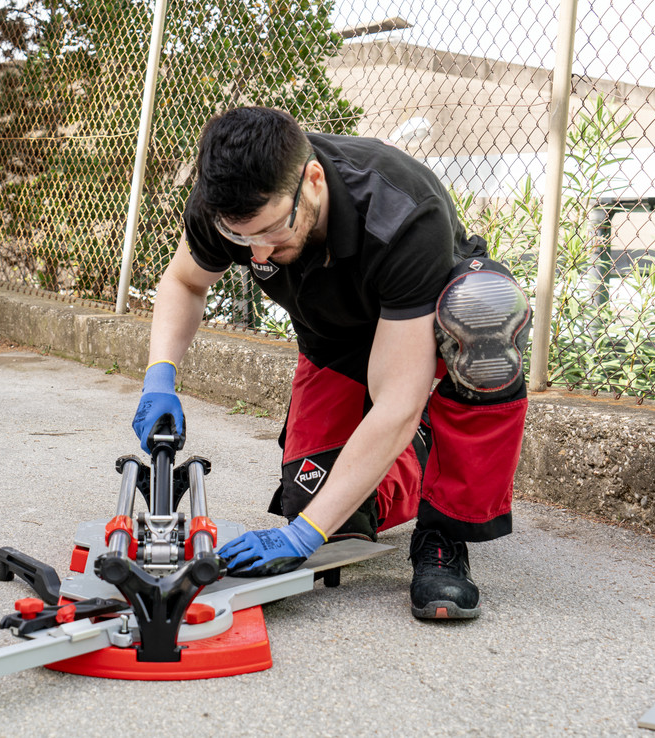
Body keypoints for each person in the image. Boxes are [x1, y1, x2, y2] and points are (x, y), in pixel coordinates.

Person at [133, 106, 530, 619]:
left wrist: (300, 536)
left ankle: (443, 533)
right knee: (332, 524)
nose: (256, 255)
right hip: (335, 339)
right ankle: (416, 456)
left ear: (313, 182)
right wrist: (159, 376)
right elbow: (185, 282)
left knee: (482, 312)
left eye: (271, 232)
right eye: (241, 239)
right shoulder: (227, 203)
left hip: (432, 331)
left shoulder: (403, 211)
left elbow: (396, 400)